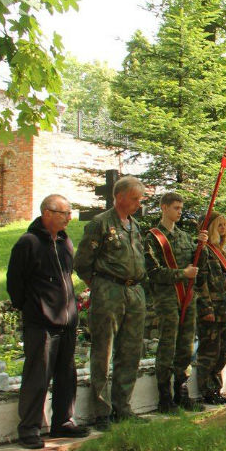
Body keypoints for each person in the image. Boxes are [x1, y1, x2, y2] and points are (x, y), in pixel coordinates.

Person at [7, 195, 90, 449]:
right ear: (47, 213)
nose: (69, 218)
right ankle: (29, 428)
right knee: (37, 376)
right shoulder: (28, 243)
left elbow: (66, 276)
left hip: (67, 320)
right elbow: (15, 283)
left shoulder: (65, 242)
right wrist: (35, 308)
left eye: (69, 212)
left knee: (66, 373)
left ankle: (63, 421)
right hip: (41, 322)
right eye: (64, 213)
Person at [74, 175, 148, 430]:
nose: (139, 204)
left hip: (134, 291)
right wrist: (100, 285)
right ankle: (101, 411)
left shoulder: (134, 225)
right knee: (103, 350)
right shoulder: (101, 224)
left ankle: (123, 407)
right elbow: (82, 262)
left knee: (131, 351)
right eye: (135, 199)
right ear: (120, 197)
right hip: (109, 290)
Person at [144, 192, 207, 413]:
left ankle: (181, 391)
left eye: (181, 208)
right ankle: (164, 397)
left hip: (187, 298)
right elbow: (154, 272)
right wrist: (182, 274)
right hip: (167, 297)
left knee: (186, 345)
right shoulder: (153, 238)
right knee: (168, 344)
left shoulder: (184, 237)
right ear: (164, 207)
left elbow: (198, 266)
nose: (180, 212)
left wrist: (202, 247)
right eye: (175, 208)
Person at [196, 212, 226, 404]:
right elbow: (200, 282)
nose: (224, 229)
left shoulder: (224, 253)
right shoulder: (203, 251)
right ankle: (207, 390)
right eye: (219, 225)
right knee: (210, 352)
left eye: (225, 225)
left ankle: (216, 389)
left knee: (223, 352)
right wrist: (206, 308)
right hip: (212, 310)